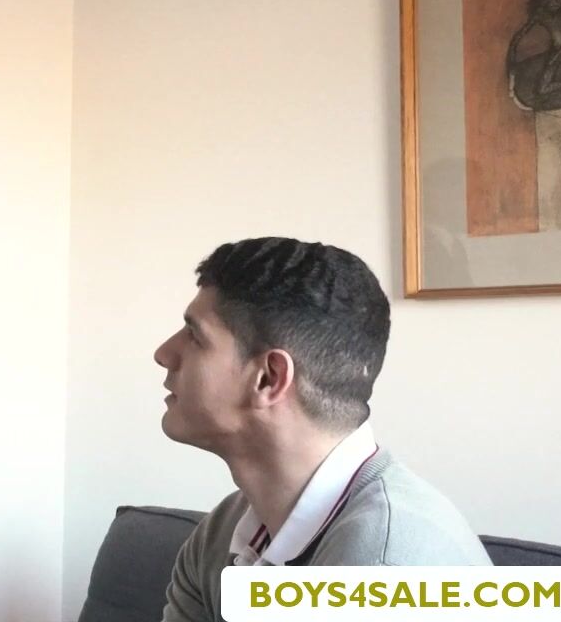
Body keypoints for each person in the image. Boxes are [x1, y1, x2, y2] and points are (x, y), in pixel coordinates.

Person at [152, 237, 488, 622]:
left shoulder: (386, 571)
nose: (163, 353)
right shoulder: (225, 532)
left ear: (268, 378)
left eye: (195, 336)